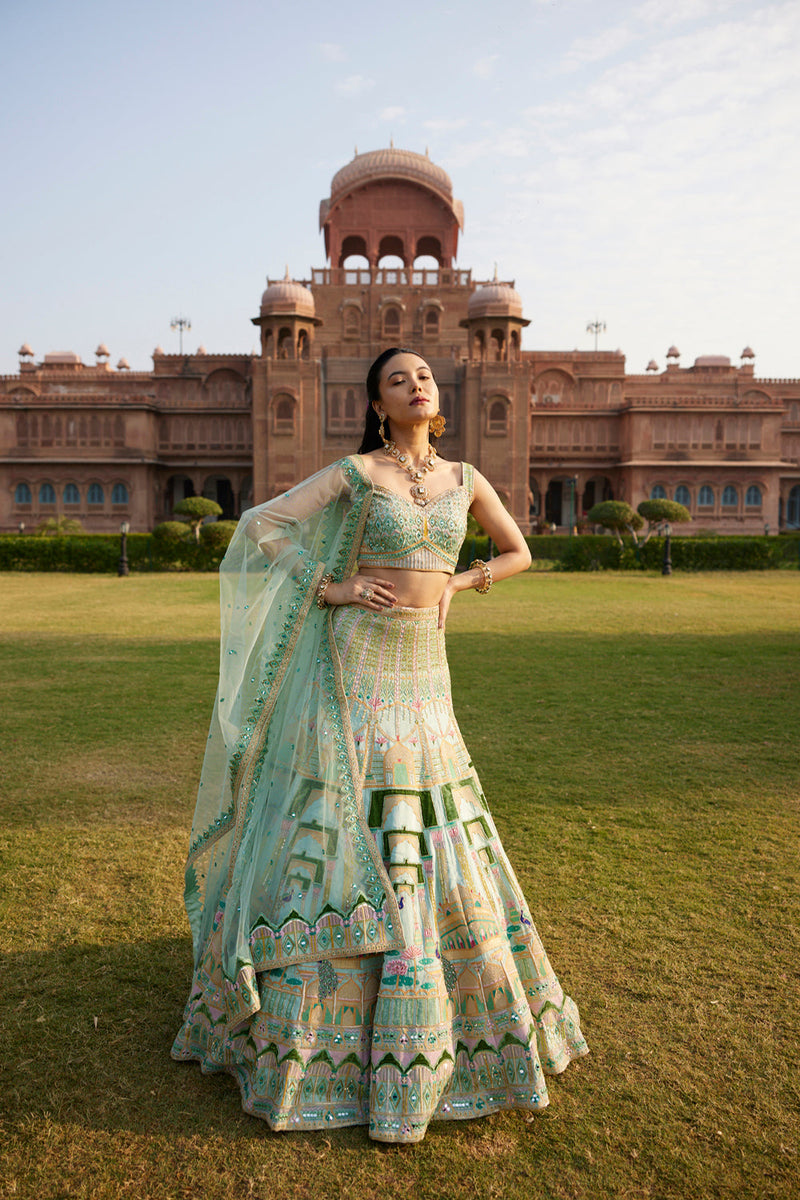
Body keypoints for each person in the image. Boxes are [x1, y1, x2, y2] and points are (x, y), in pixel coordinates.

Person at [172, 347, 588, 1143]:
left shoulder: (466, 479)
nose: (416, 384)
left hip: (425, 670)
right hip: (356, 662)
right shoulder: (357, 475)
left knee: (434, 811)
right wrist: (330, 587)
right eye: (397, 380)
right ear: (378, 403)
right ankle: (315, 1004)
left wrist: (465, 585)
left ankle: (439, 988)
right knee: (351, 799)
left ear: (438, 398)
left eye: (423, 376)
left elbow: (519, 550)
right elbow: (264, 526)